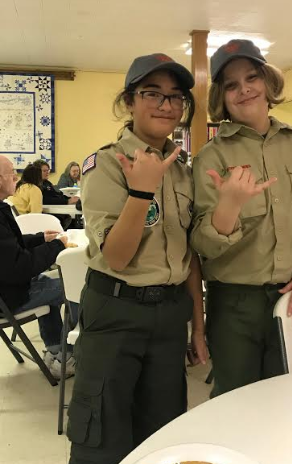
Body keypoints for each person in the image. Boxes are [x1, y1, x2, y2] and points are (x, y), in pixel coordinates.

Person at [67, 53, 207, 464]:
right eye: (152, 94)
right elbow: (118, 256)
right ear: (129, 101)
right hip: (114, 312)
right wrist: (142, 191)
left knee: (162, 434)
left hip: (168, 316)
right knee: (101, 439)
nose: (166, 105)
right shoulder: (106, 164)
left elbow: (189, 255)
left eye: (175, 97)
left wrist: (197, 327)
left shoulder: (183, 170)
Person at [191, 39, 292, 398]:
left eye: (252, 77)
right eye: (231, 84)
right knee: (236, 400)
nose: (244, 89)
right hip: (235, 305)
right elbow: (202, 245)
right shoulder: (211, 158)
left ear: (267, 82)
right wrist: (228, 205)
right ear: (221, 97)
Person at [0, 155, 77, 379]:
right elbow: (20, 266)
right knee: (75, 287)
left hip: (7, 289)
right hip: (9, 297)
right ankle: (67, 356)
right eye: (11, 172)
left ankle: (55, 351)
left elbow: (11, 246)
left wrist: (40, 238)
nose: (16, 176)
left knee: (52, 288)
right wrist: (55, 246)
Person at [33, 159, 79, 229]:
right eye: (44, 171)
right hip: (45, 215)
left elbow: (57, 194)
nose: (47, 173)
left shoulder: (47, 183)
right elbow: (45, 199)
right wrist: (67, 201)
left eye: (48, 170)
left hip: (54, 212)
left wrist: (69, 199)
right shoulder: (35, 186)